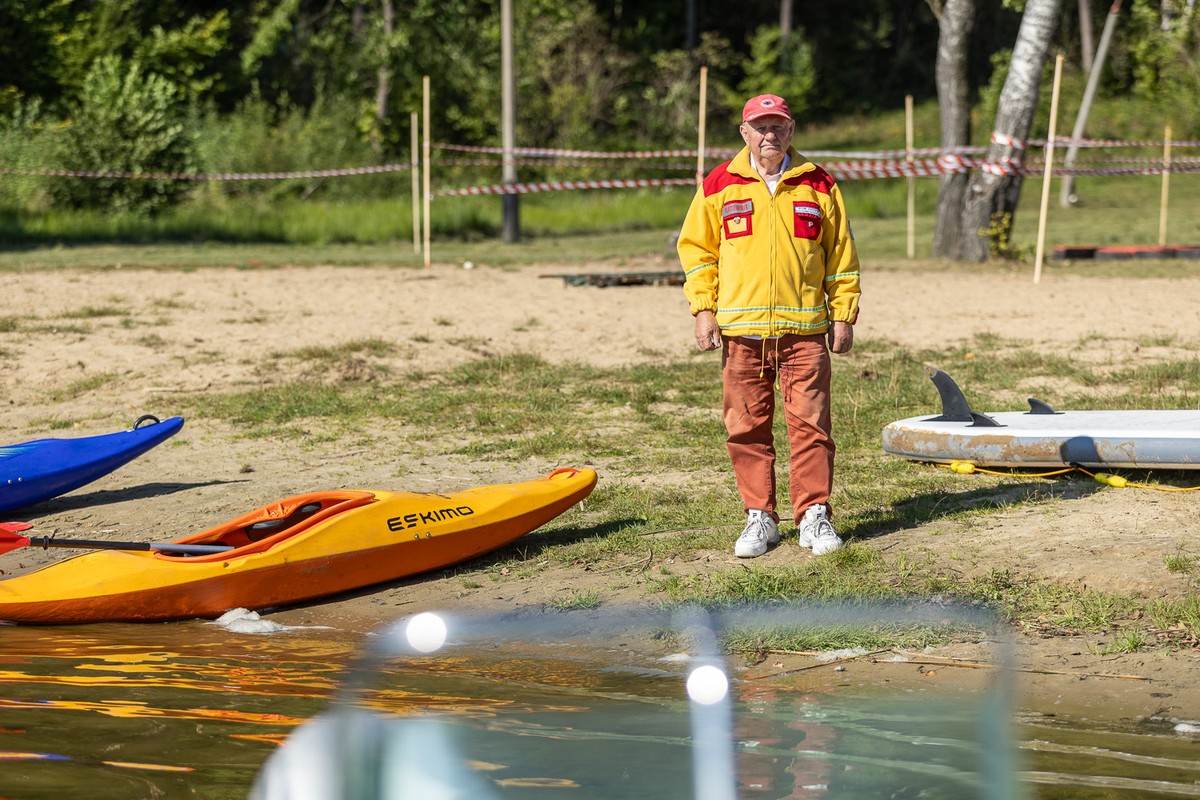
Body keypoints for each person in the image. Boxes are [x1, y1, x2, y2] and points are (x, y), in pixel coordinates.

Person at [676, 93, 861, 559]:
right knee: (746, 429)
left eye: (777, 126)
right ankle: (760, 516)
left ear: (791, 130)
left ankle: (813, 515)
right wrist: (703, 309)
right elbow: (698, 252)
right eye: (760, 127)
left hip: (805, 334)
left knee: (812, 427)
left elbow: (841, 259)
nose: (769, 135)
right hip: (742, 334)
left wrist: (843, 315)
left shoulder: (820, 185)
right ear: (744, 133)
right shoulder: (719, 184)